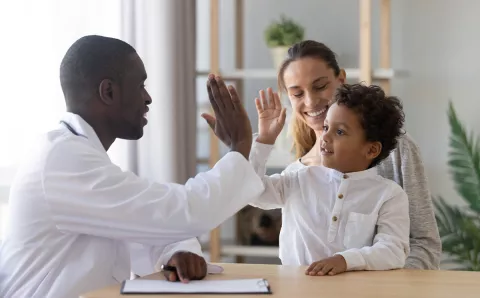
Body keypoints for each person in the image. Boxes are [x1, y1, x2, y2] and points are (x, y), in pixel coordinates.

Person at [0, 35, 264, 298]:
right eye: (140, 86)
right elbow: (184, 210)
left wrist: (177, 251)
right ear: (109, 92)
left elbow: (143, 225)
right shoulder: (63, 160)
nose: (148, 98)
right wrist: (239, 146)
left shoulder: (75, 155)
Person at [250, 40, 441, 270]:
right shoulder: (298, 175)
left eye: (320, 86)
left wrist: (387, 289)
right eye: (297, 93)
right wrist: (262, 142)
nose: (310, 101)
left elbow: (422, 244)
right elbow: (252, 191)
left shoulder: (396, 159)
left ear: (340, 79)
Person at [250, 83, 410, 275]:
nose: (325, 137)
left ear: (371, 149)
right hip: (294, 289)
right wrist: (264, 141)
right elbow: (252, 192)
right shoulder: (298, 179)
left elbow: (393, 251)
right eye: (326, 127)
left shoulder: (389, 195)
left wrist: (345, 260)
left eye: (340, 132)